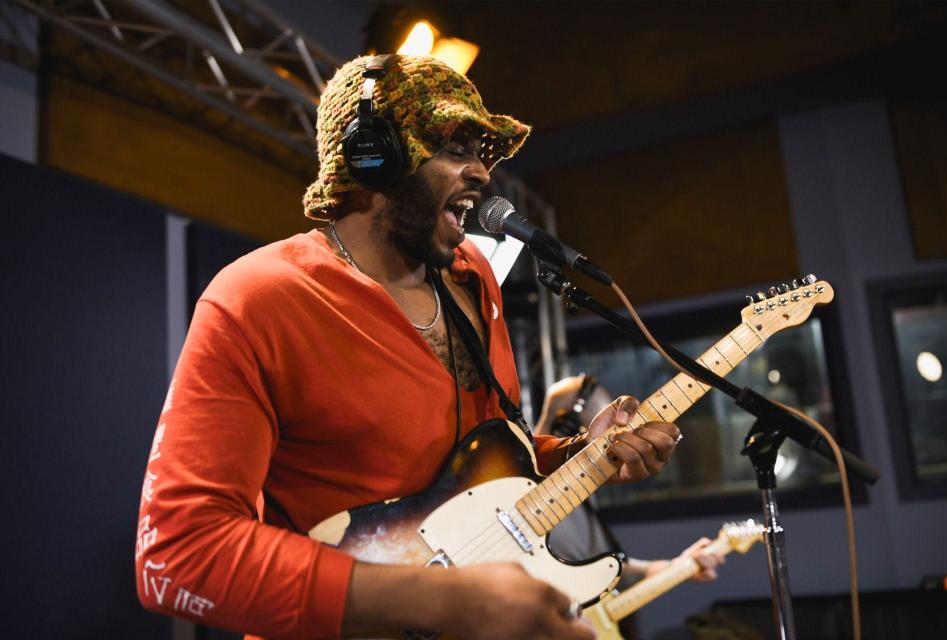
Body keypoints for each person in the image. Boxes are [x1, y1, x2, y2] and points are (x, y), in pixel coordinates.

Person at [135, 54, 681, 640]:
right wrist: (443, 601)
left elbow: (482, 469)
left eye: (482, 152)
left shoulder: (473, 278)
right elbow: (177, 553)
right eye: (456, 149)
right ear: (373, 157)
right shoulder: (260, 298)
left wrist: (581, 455)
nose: (481, 173)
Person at [536, 375, 725, 636]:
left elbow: (598, 566)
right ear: (565, 430)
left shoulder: (580, 496)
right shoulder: (541, 495)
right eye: (602, 432)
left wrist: (676, 567)